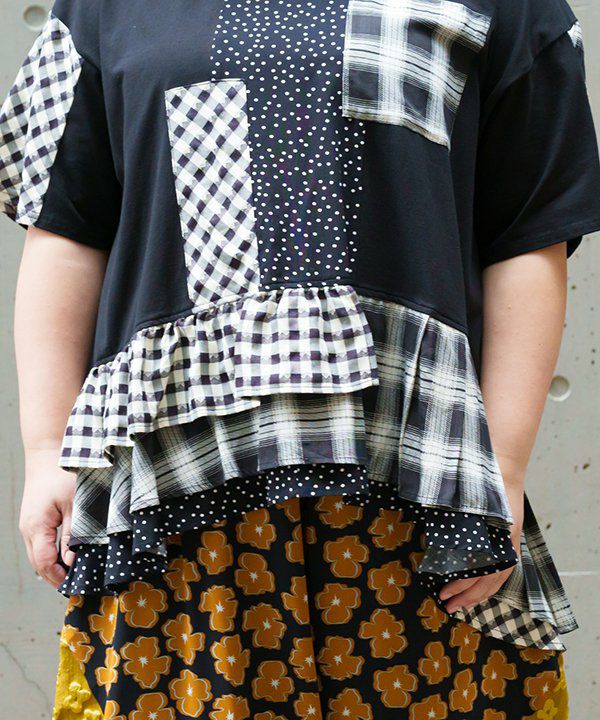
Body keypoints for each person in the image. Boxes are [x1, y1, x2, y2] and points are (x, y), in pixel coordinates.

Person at [2, 0, 600, 717]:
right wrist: (46, 450)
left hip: (411, 475)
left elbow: (529, 234)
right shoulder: (102, 7)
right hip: (176, 477)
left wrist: (502, 466)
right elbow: (66, 227)